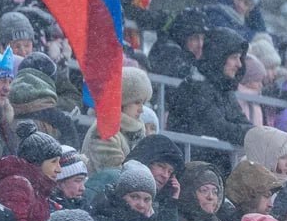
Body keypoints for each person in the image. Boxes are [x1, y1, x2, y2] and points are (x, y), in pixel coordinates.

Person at [166, 26, 253, 174]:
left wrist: (256, 134)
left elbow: (242, 123)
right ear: (218, 56)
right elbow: (220, 129)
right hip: (192, 172)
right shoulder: (194, 87)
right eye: (234, 57)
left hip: (213, 171)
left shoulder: (224, 90)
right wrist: (255, 135)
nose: (239, 64)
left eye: (240, 58)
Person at [0, 121, 63, 221]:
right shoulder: (16, 184)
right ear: (36, 162)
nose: (59, 169)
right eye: (54, 162)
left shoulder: (39, 188)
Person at [81, 66, 151, 171]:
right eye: (137, 102)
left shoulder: (128, 132)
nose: (141, 110)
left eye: (143, 103)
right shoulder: (105, 131)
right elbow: (113, 175)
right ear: (122, 101)